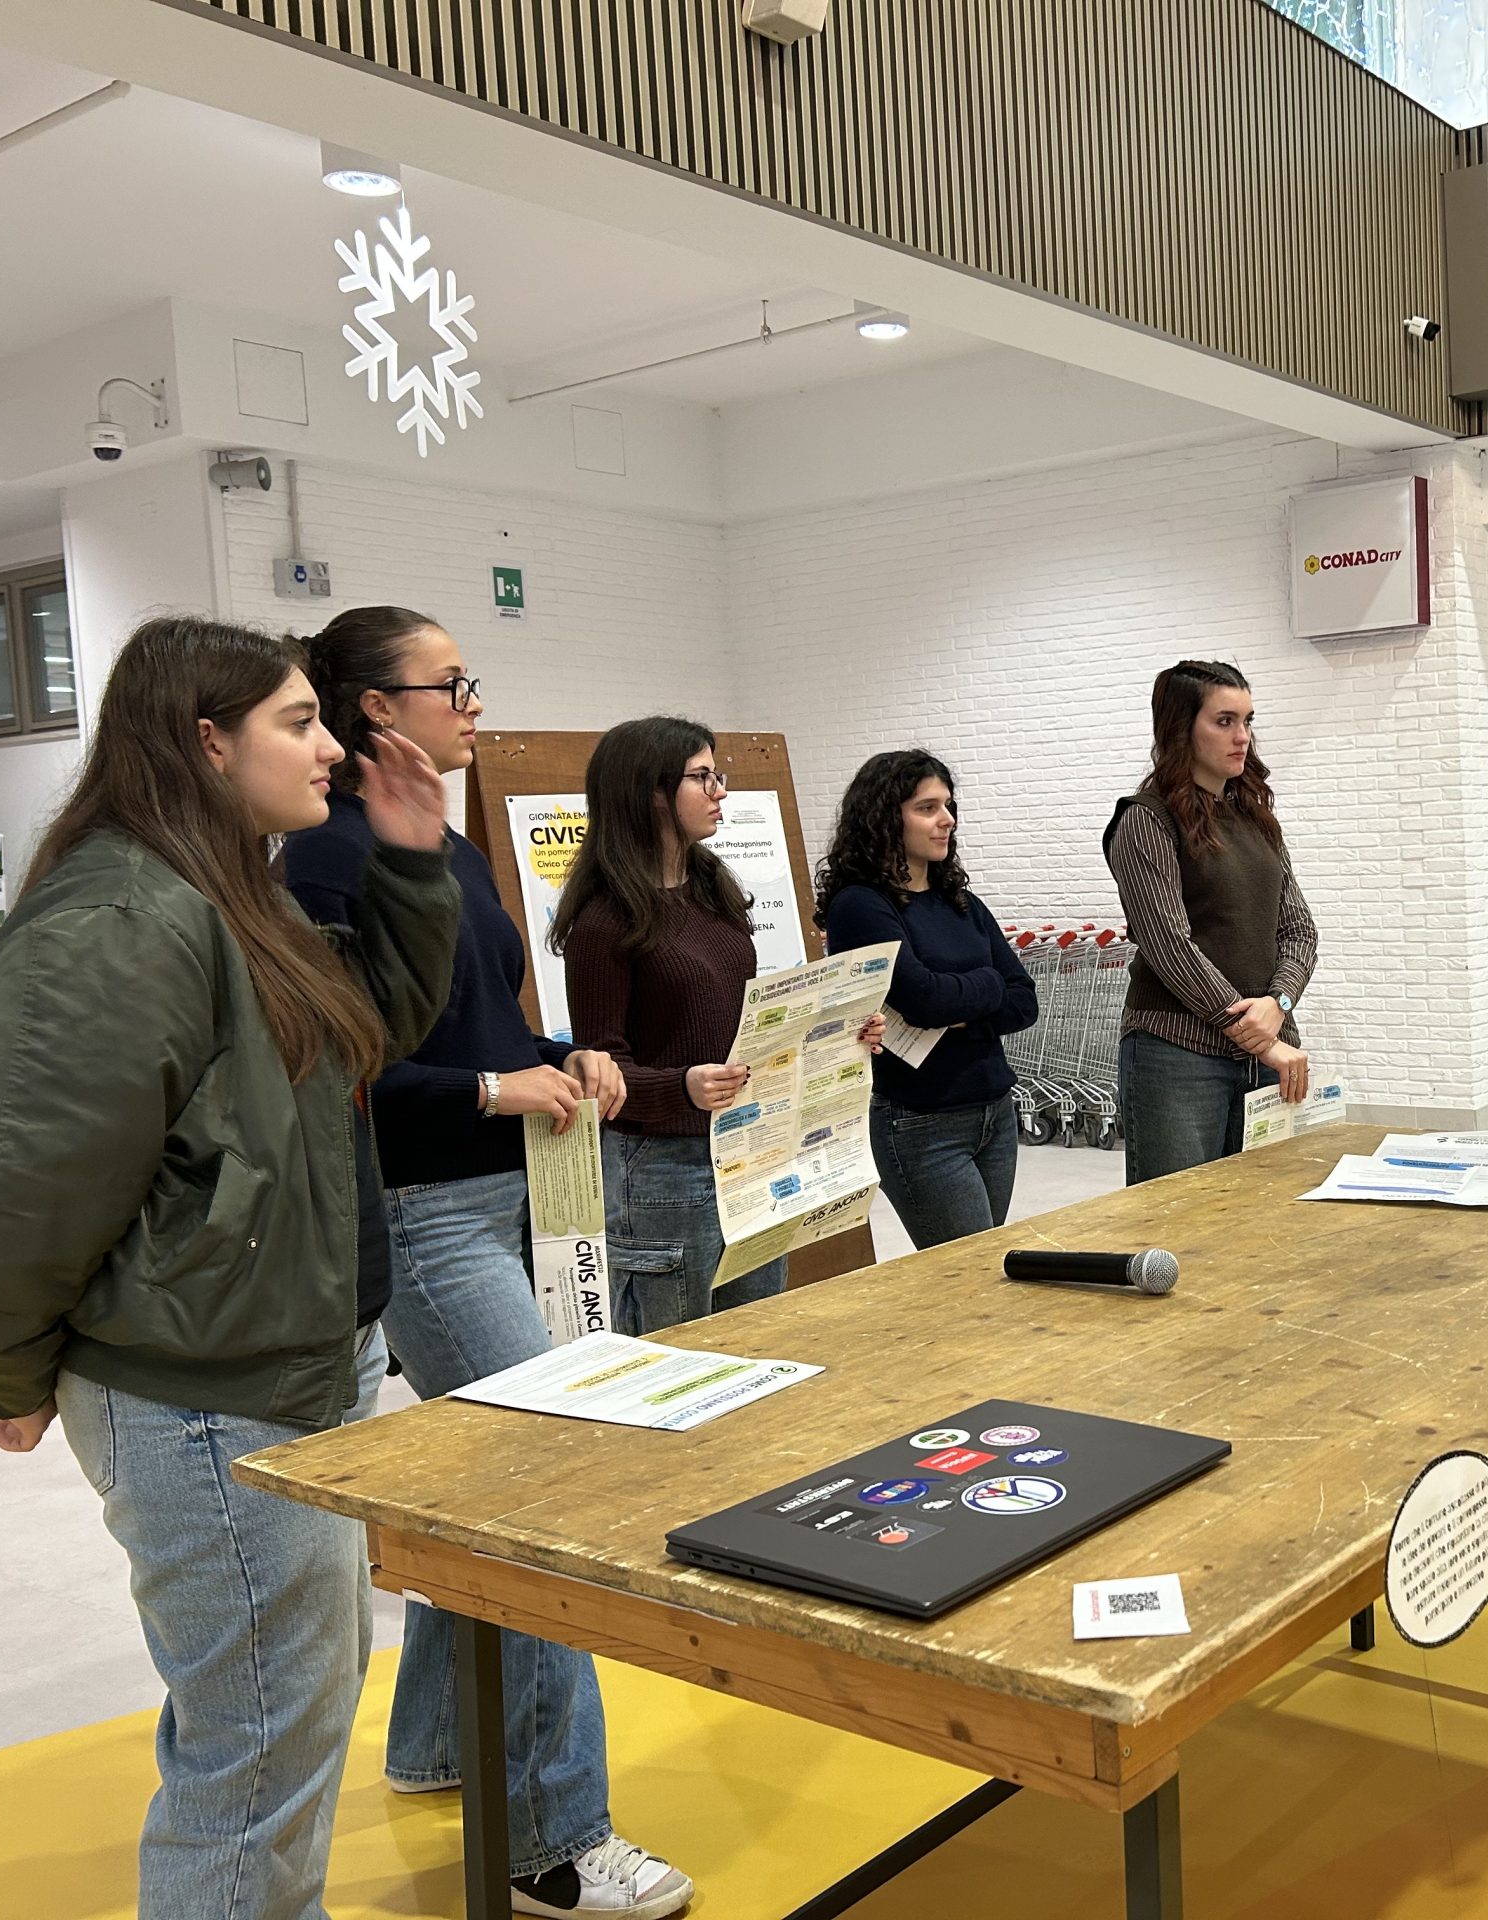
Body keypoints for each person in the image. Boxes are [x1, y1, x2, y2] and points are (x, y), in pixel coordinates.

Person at [0, 617, 460, 1919]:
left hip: (277, 1370)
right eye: (298, 723)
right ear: (206, 742)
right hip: (207, 1397)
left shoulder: (225, 891)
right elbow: (3, 1199)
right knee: (257, 1749)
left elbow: (358, 1033)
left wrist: (410, 866)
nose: (332, 750)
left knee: (284, 1724)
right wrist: (5, 1374)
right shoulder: (122, 918)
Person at [284, 607, 693, 1918]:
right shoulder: (323, 860)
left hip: (506, 1196)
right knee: (544, 1489)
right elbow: (341, 1072)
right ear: (374, 708)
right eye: (450, 684)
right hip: (421, 1217)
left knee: (482, 1483)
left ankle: (438, 1743)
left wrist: (564, 1055)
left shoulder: (444, 845)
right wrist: (487, 1091)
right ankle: (553, 1843)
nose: (473, 705)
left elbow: (482, 1025)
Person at [555, 717, 881, 1331]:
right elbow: (602, 1071)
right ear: (652, 791)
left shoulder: (712, 888)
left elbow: (745, 1024)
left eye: (716, 774)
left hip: (749, 1148)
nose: (720, 790)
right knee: (681, 1354)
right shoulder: (604, 923)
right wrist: (681, 1086)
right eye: (701, 777)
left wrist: (839, 1033)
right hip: (665, 1168)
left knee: (757, 1338)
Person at [1105, 658, 1318, 1183]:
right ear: (1181, 728)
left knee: (1260, 1212)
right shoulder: (1145, 820)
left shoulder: (1256, 819)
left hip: (1265, 1048)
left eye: (1247, 721)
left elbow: (1298, 930)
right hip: (1178, 1056)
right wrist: (1257, 1034)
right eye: (1224, 721)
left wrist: (1279, 1003)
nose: (1242, 737)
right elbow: (1168, 944)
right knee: (1177, 1214)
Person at [817, 749, 1037, 1248]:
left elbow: (1024, 1001)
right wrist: (988, 985)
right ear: (885, 817)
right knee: (969, 1267)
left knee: (986, 1260)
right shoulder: (860, 905)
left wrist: (960, 1012)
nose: (947, 820)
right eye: (927, 808)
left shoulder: (960, 901)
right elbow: (924, 1001)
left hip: (995, 1110)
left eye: (948, 806)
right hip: (921, 1122)